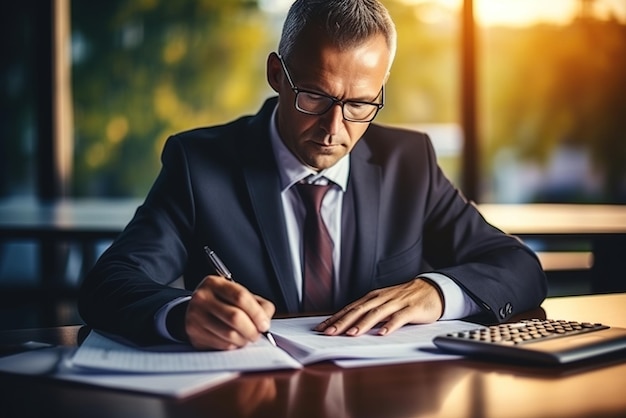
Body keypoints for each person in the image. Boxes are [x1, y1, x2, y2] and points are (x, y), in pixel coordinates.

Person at [78, 0, 547, 350]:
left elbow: (518, 267)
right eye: (315, 97)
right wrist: (181, 314)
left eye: (360, 104)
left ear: (380, 88)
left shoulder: (410, 160)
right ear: (277, 74)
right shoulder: (199, 164)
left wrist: (438, 292)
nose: (334, 128)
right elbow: (109, 283)